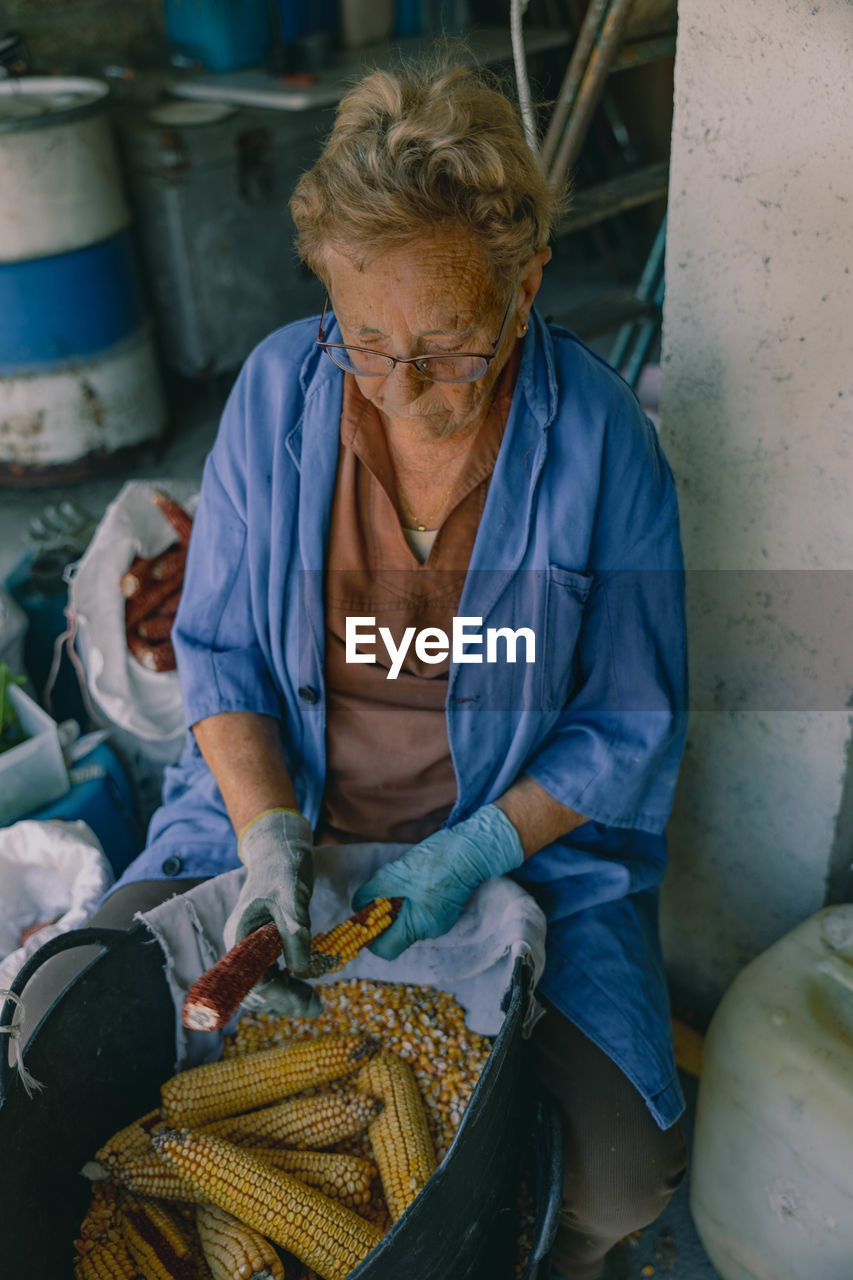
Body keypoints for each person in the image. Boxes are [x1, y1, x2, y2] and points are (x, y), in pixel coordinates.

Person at [102, 61, 688, 1280]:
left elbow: (630, 720)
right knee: (91, 1024)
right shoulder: (277, 393)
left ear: (525, 287)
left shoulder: (601, 441)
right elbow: (218, 660)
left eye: (449, 348)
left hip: (509, 847)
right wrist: (267, 840)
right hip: (273, 825)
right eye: (365, 341)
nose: (404, 390)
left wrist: (479, 848)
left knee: (621, 1176)